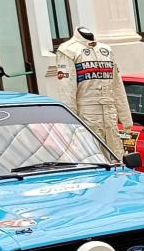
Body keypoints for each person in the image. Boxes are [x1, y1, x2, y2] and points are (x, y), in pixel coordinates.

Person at [55, 27, 133, 155]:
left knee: (117, 157)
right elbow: (66, 91)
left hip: (110, 115)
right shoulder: (67, 50)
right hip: (87, 116)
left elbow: (117, 86)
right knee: (92, 156)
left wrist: (126, 120)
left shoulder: (106, 50)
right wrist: (71, 125)